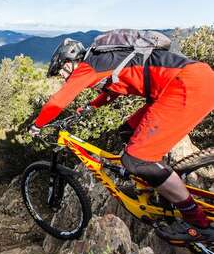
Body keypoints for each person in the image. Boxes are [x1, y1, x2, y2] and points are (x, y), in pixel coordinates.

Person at [29, 35, 214, 241]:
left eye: (63, 70)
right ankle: (155, 180)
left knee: (136, 160)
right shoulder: (104, 59)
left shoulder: (89, 65)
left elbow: (59, 100)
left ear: (71, 60)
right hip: (187, 80)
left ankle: (199, 223)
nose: (63, 76)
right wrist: (90, 106)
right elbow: (115, 88)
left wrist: (37, 125)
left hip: (187, 85)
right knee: (126, 131)